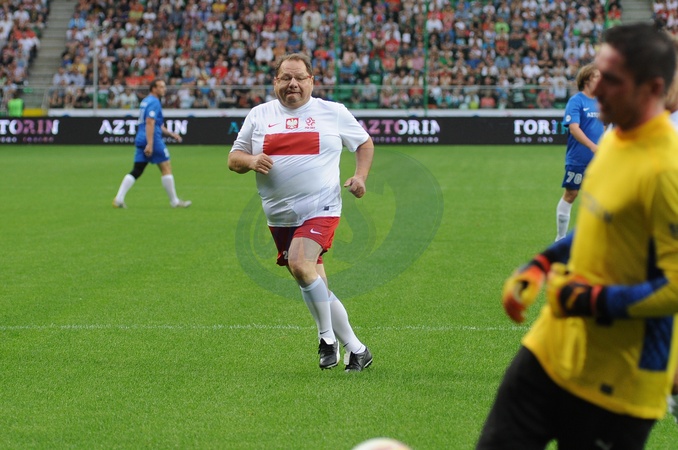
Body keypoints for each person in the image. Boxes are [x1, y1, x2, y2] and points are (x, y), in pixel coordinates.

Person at [478, 23, 678, 449]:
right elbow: (598, 228)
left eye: (613, 80)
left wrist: (588, 300)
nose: (597, 89)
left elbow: (674, 286)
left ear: (652, 89)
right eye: (598, 73)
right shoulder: (614, 141)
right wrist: (541, 264)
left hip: (620, 382)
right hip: (549, 351)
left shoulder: (668, 170)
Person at [228, 53, 375, 372]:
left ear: (311, 81)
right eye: (286, 78)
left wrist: (360, 177)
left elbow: (364, 144)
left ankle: (326, 338)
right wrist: (251, 161)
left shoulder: (332, 112)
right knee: (312, 279)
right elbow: (234, 158)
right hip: (279, 215)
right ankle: (357, 349)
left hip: (321, 208)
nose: (292, 84)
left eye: (299, 78)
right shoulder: (259, 114)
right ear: (275, 82)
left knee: (299, 263)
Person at [113, 79, 191, 209]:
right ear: (153, 88)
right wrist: (150, 144)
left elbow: (156, 123)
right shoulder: (154, 102)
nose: (164, 89)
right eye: (161, 87)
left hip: (141, 138)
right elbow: (150, 122)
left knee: (137, 170)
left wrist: (171, 134)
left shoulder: (145, 101)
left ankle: (118, 199)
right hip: (152, 139)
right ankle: (174, 202)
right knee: (166, 167)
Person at [555, 63, 604, 241]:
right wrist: (592, 146)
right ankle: (560, 238)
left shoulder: (601, 101)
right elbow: (574, 128)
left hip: (599, 160)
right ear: (587, 80)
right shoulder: (576, 101)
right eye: (597, 76)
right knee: (571, 194)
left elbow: (605, 125)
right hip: (578, 158)